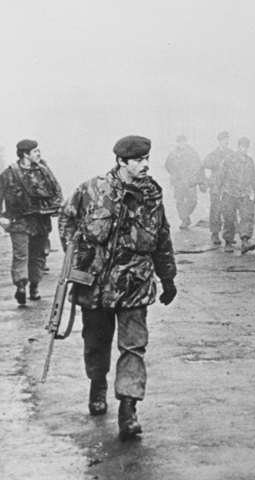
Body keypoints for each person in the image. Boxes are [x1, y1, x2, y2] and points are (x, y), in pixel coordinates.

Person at [59, 135, 177, 440]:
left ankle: (128, 408)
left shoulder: (152, 195)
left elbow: (161, 236)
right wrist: (76, 254)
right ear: (121, 162)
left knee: (133, 347)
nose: (146, 164)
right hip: (95, 284)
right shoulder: (92, 189)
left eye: (147, 158)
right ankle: (97, 383)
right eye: (138, 160)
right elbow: (67, 219)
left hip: (134, 284)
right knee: (96, 343)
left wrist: (167, 278)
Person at [0, 139, 62, 304]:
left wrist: (54, 207)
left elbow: (57, 191)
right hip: (19, 220)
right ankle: (21, 286)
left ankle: (34, 285)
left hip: (40, 220)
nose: (39, 154)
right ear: (25, 154)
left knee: (38, 255)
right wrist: (1, 216)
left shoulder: (44, 170)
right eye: (35, 151)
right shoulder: (9, 173)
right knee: (21, 255)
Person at [217, 137, 255, 254]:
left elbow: (253, 177)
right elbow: (221, 175)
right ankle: (228, 242)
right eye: (242, 147)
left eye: (246, 147)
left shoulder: (249, 161)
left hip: (244, 193)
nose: (244, 149)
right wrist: (217, 190)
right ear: (238, 147)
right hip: (229, 192)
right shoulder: (229, 159)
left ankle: (245, 241)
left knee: (247, 217)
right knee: (229, 218)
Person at [165, 135, 204, 229]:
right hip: (178, 182)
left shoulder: (192, 153)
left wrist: (196, 179)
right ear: (177, 143)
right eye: (180, 142)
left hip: (190, 181)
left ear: (186, 142)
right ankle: (184, 220)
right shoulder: (173, 153)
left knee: (193, 201)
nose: (182, 144)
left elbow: (199, 166)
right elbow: (167, 165)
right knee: (179, 201)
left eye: (183, 141)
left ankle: (185, 216)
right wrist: (174, 174)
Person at [201, 131, 234, 244]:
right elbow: (202, 167)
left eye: (227, 139)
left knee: (229, 210)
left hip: (229, 187)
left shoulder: (232, 154)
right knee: (216, 209)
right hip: (216, 187)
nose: (226, 141)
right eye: (224, 139)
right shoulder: (212, 155)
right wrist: (205, 182)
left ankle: (229, 236)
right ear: (219, 141)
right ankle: (215, 234)